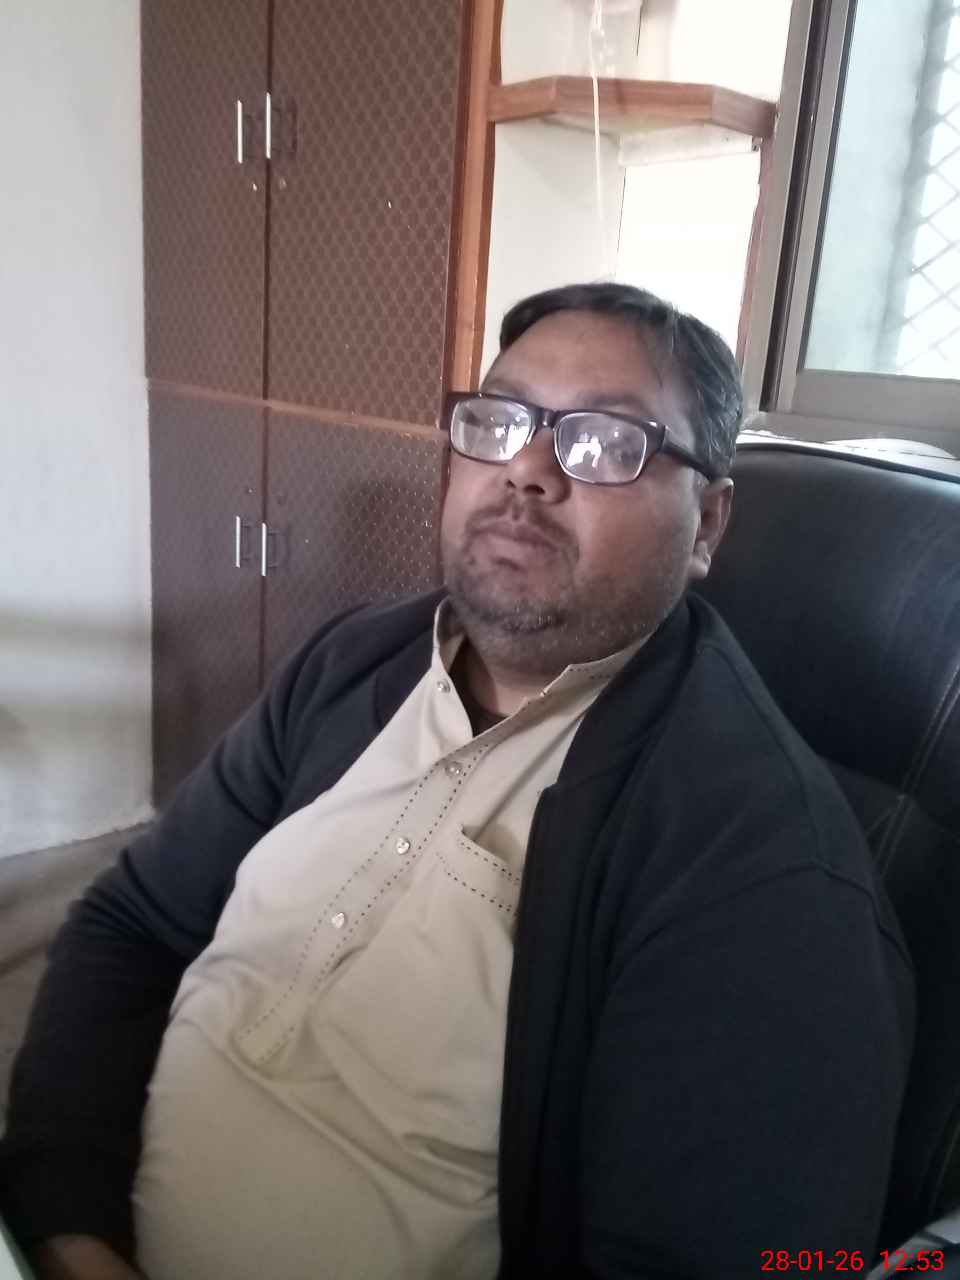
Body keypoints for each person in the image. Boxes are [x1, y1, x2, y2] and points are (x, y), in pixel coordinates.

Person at [1, 284, 914, 1280]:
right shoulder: (353, 660)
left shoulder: (764, 868)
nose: (526, 469)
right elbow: (133, 923)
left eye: (606, 442)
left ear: (707, 524)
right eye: (501, 420)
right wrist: (67, 1223)